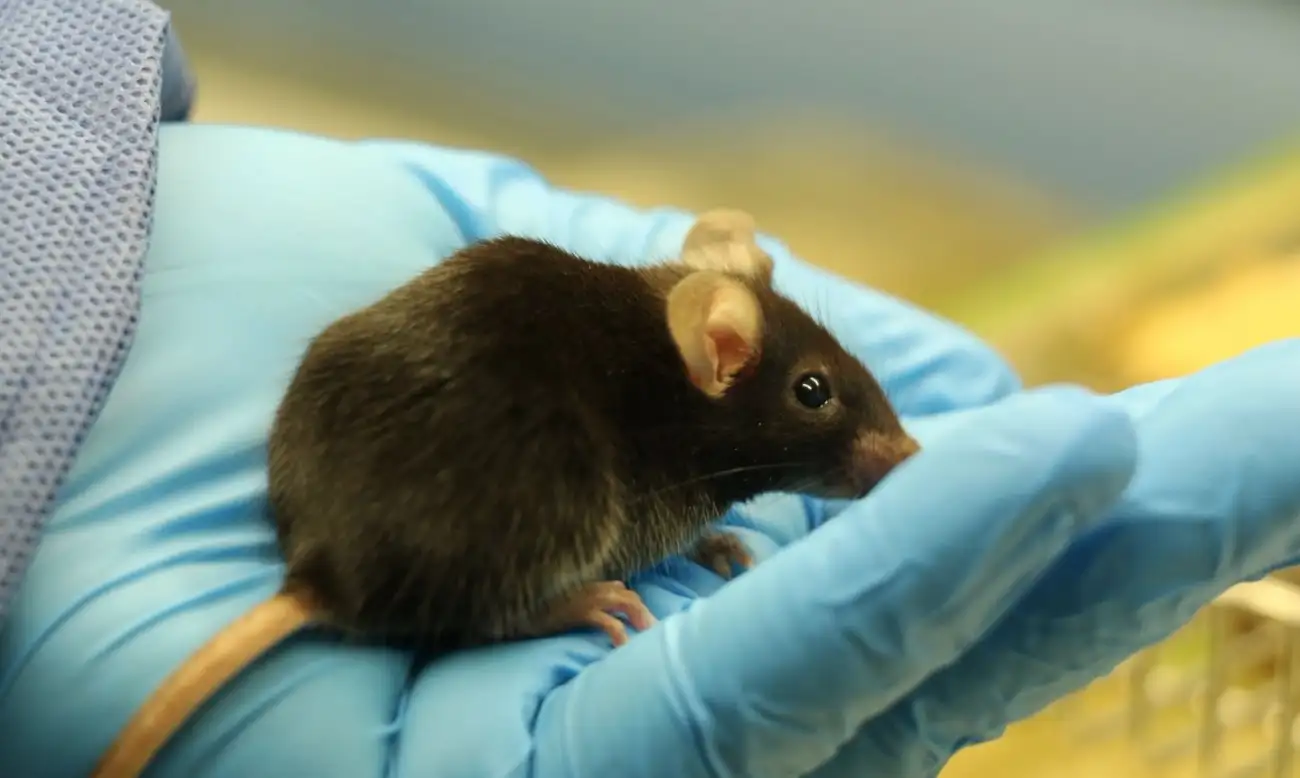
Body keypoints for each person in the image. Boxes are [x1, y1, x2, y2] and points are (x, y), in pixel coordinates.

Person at [4, 3, 1300, 777]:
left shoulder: (670, 357)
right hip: (429, 519)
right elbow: (616, 482)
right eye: (819, 402)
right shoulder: (650, 404)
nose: (873, 439)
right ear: (717, 354)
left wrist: (64, 170)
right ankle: (494, 603)